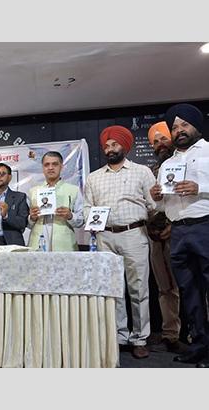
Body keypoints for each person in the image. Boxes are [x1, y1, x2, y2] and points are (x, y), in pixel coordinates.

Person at [84, 126, 156, 359]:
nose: (110, 149)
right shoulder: (94, 177)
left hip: (134, 233)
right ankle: (119, 336)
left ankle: (140, 338)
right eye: (106, 146)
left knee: (139, 289)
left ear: (124, 146)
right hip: (104, 236)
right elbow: (87, 207)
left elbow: (154, 205)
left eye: (114, 144)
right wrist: (91, 220)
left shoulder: (142, 171)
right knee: (113, 288)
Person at [150, 103, 209, 367]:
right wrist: (157, 198)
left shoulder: (208, 151)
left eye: (184, 125)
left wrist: (200, 187)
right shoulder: (168, 164)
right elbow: (164, 206)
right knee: (189, 291)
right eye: (174, 127)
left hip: (204, 226)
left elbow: (199, 189)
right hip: (179, 231)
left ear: (196, 125)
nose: (179, 131)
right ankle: (200, 346)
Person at [146, 121, 185, 353]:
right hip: (156, 236)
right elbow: (151, 204)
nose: (160, 144)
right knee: (165, 289)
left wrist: (173, 225)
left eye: (163, 139)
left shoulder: (187, 164)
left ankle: (197, 334)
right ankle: (171, 334)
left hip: (182, 232)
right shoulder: (151, 171)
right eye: (155, 141)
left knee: (191, 286)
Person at [28, 151, 84, 251]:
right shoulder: (33, 191)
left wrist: (70, 216)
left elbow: (81, 221)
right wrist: (31, 218)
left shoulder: (73, 190)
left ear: (61, 167)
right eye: (47, 165)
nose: (50, 168)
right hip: (37, 243)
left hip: (64, 244)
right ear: (43, 168)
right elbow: (27, 224)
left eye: (55, 164)